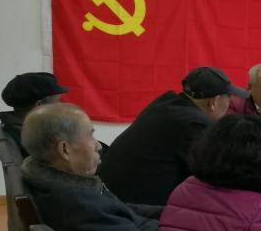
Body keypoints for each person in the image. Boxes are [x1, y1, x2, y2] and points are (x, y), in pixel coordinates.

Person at [20, 103, 160, 231]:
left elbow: (120, 210)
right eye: (90, 135)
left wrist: (171, 214)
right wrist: (174, 225)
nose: (98, 145)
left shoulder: (55, 182)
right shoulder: (76, 205)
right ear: (65, 150)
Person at [98, 66, 247, 206]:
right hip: (132, 209)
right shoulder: (194, 124)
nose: (230, 104)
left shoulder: (165, 105)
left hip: (109, 195)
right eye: (228, 97)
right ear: (214, 102)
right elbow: (218, 176)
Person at [0, 72, 69, 156]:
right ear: (39, 106)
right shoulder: (38, 142)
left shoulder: (18, 130)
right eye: (57, 101)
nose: (60, 105)